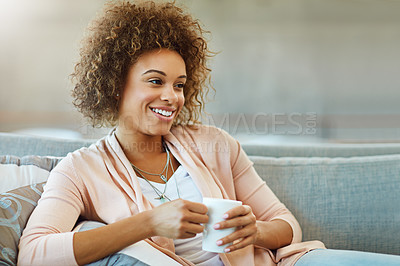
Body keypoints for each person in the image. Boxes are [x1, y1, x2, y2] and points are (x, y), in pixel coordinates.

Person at [17, 1, 400, 266]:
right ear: (114, 84)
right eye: (156, 81)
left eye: (180, 85)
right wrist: (149, 224)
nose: (172, 96)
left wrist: (256, 231)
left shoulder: (214, 144)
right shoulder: (79, 170)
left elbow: (286, 226)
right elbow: (34, 253)